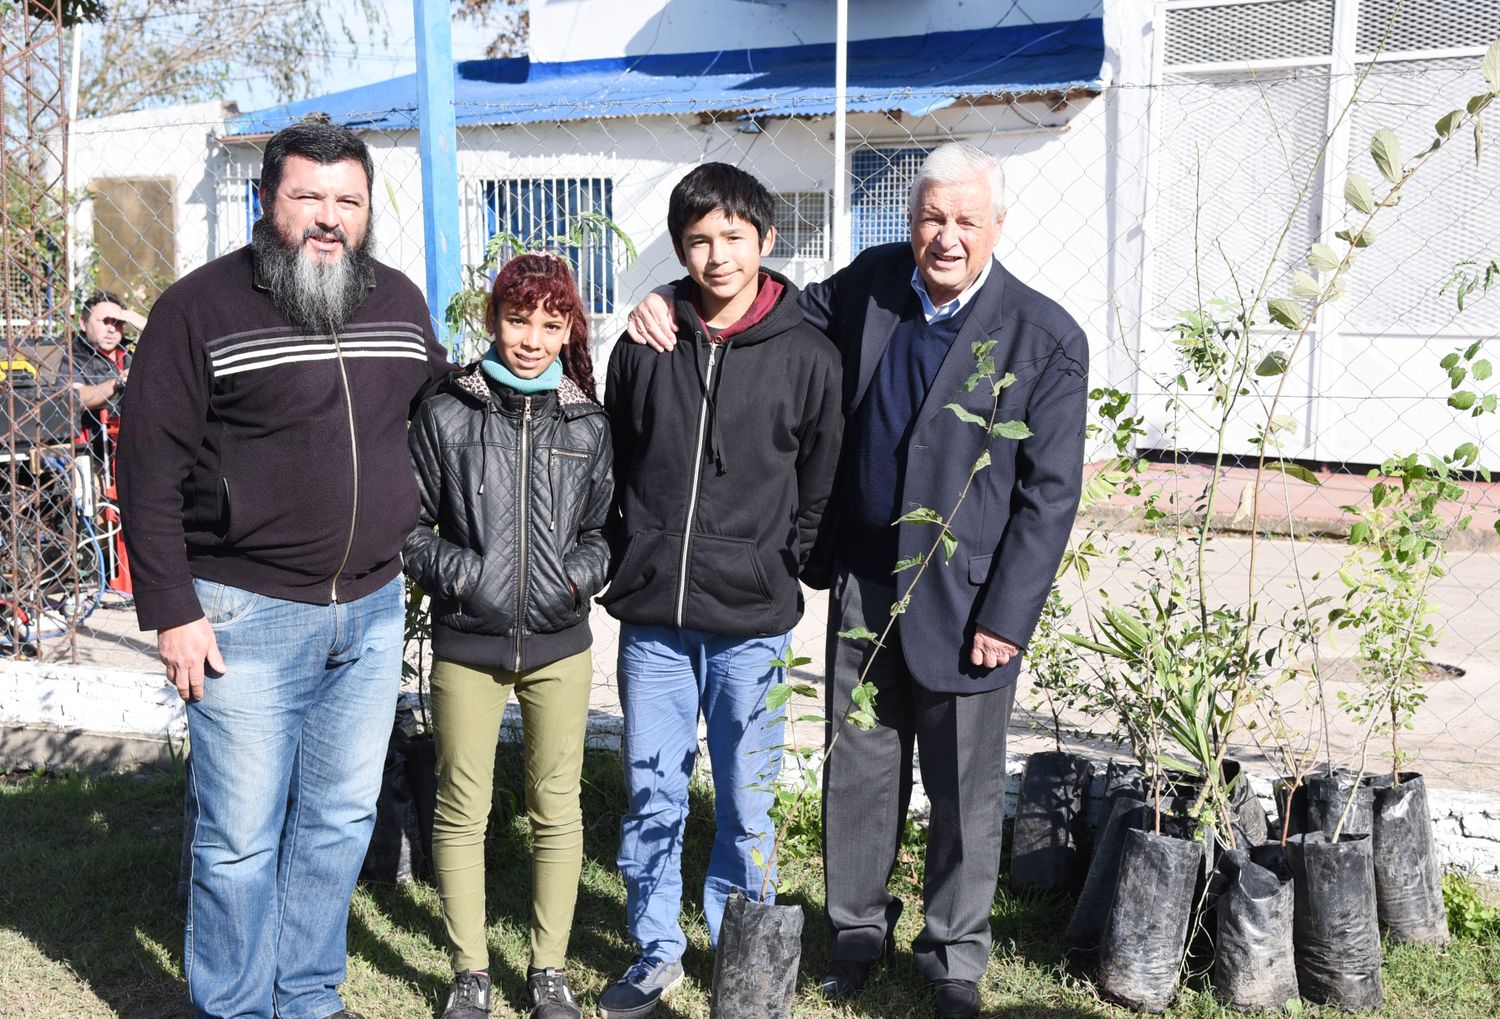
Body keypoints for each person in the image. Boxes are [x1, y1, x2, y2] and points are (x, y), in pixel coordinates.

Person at [624, 142, 1088, 1019]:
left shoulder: (1045, 335)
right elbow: (761, 305)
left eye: (964, 221)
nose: (944, 237)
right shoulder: (873, 282)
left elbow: (1050, 495)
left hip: (968, 599)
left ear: (997, 226)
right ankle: (856, 932)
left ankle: (952, 953)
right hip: (866, 582)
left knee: (963, 783)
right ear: (908, 220)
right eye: (930, 218)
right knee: (862, 768)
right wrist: (669, 299)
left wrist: (1010, 615)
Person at [117, 114, 453, 1019]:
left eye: (348, 200)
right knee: (236, 838)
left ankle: (307, 995)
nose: (329, 217)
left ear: (369, 208)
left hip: (374, 609)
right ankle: (233, 1004)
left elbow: (446, 410)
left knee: (339, 821)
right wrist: (171, 608)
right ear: (269, 201)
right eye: (308, 196)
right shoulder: (198, 311)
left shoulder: (398, 302)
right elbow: (144, 469)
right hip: (241, 612)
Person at [598, 162, 843, 1019]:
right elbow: (616, 460)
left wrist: (782, 565)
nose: (716, 255)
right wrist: (633, 555)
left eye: (733, 236)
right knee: (653, 787)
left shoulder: (809, 354)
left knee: (747, 800)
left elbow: (819, 482)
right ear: (678, 249)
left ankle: (742, 950)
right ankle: (655, 949)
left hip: (751, 621)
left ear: (767, 242)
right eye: (697, 239)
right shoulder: (645, 341)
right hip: (655, 618)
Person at [403, 253, 612, 1019]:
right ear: (493, 319)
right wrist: (470, 577)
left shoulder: (586, 421)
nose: (531, 338)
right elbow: (410, 530)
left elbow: (602, 532)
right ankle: (470, 972)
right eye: (518, 319)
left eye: (549, 323)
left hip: (560, 644)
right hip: (469, 641)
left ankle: (548, 968)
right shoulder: (447, 411)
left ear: (567, 331)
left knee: (556, 806)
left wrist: (570, 578)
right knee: (463, 807)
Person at [67, 290, 145, 465]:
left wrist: (141, 322)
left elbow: (173, 345)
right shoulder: (74, 354)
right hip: (93, 453)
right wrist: (117, 383)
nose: (111, 328)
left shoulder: (132, 351)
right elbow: (73, 398)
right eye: (105, 321)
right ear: (84, 323)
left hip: (138, 445)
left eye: (117, 322)